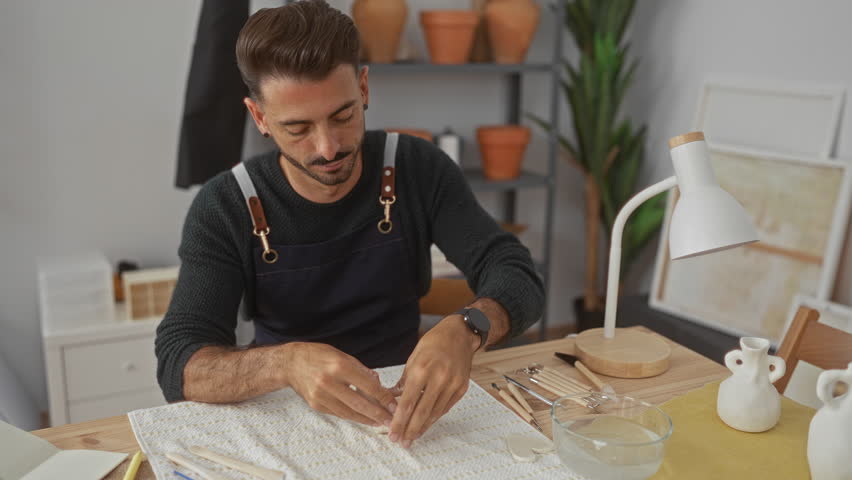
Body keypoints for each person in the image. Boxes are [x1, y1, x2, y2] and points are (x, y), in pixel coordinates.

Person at [155, 0, 544, 449]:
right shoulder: (226, 204)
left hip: (408, 404)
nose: (328, 147)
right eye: (298, 128)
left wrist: (469, 326)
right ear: (260, 117)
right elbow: (179, 362)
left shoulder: (416, 168)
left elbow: (515, 271)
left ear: (363, 88)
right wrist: (286, 364)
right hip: (288, 415)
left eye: (342, 116)